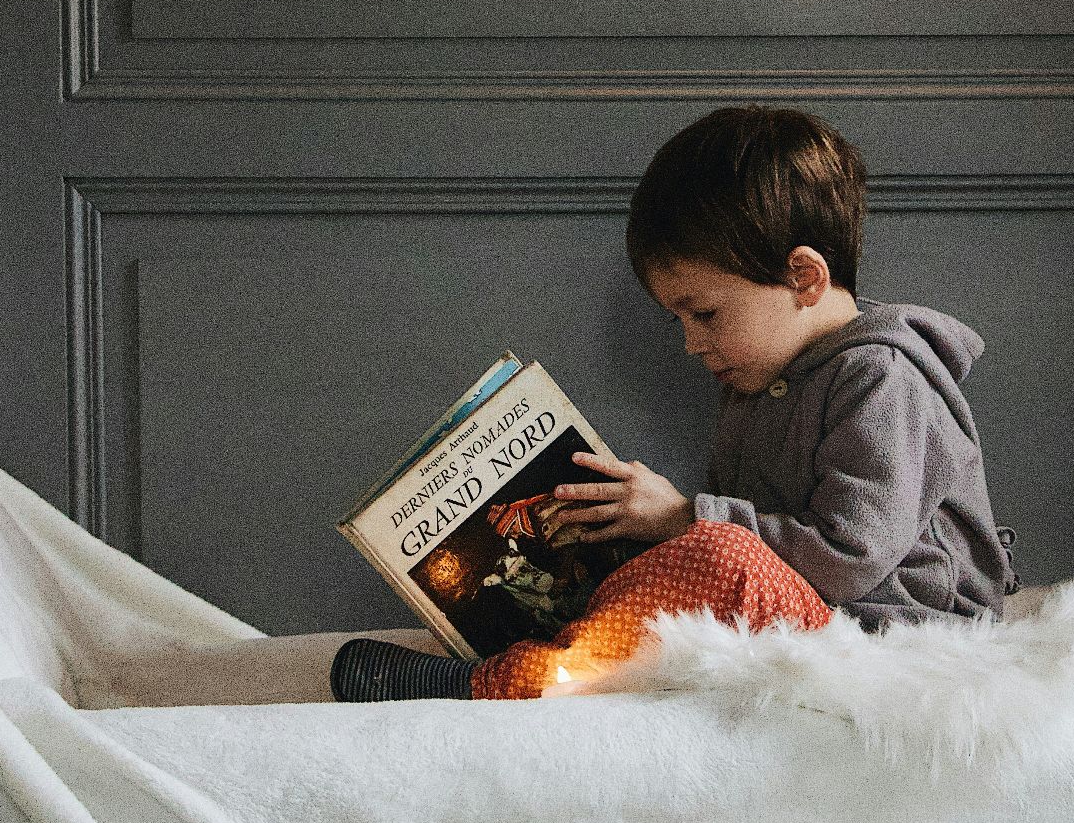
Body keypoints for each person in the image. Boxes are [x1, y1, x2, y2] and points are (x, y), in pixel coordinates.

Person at [332, 105, 1018, 702]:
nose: (692, 344)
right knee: (651, 554)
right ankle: (537, 650)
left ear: (804, 277)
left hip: (896, 639)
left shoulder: (883, 378)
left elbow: (849, 555)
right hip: (815, 619)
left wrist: (687, 518)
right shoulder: (754, 382)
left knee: (719, 558)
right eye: (678, 322)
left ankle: (496, 685)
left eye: (706, 313)